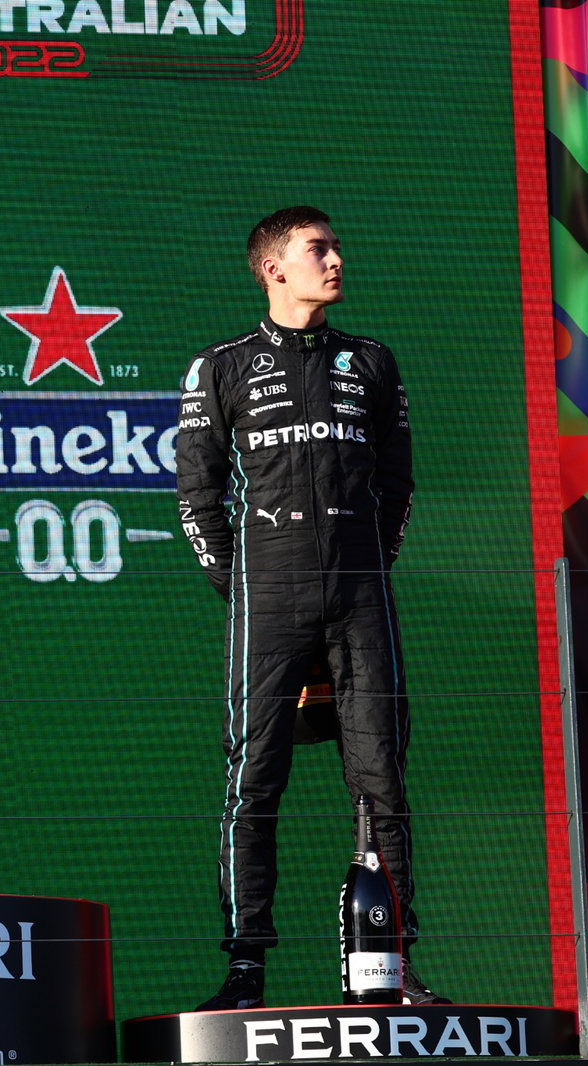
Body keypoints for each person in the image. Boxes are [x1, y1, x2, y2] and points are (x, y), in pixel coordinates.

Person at [174, 206, 445, 1009]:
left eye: (335, 246)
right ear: (273, 268)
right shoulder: (219, 366)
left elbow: (397, 486)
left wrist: (366, 564)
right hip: (270, 594)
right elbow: (197, 495)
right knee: (254, 780)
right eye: (318, 249)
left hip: (362, 596)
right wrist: (245, 584)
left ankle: (387, 966)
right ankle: (245, 969)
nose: (336, 260)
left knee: (380, 783)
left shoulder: (373, 361)